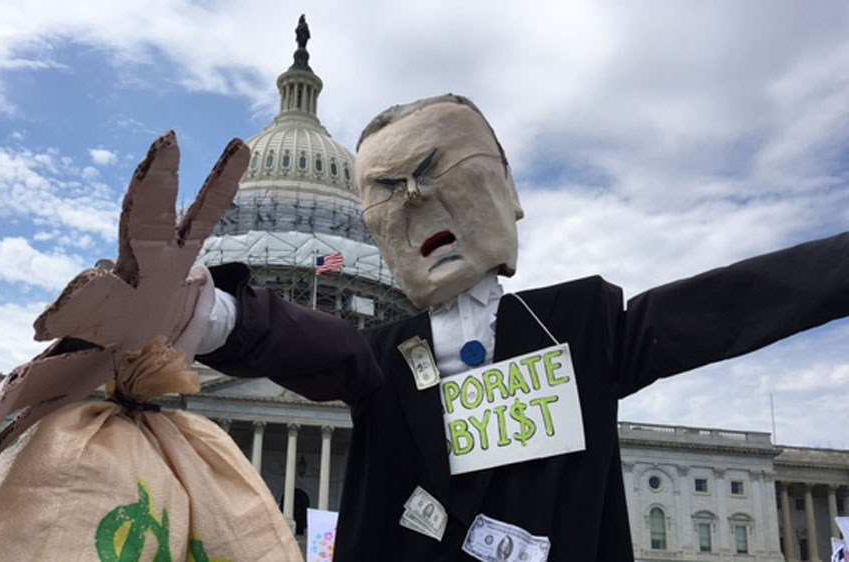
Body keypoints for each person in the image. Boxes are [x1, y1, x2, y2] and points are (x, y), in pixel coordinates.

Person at [194, 94, 849, 561]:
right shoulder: (381, 359)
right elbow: (313, 345)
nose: (418, 198)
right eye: (391, 187)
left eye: (433, 169)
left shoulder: (579, 329)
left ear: (510, 191)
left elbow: (727, 305)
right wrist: (213, 314)